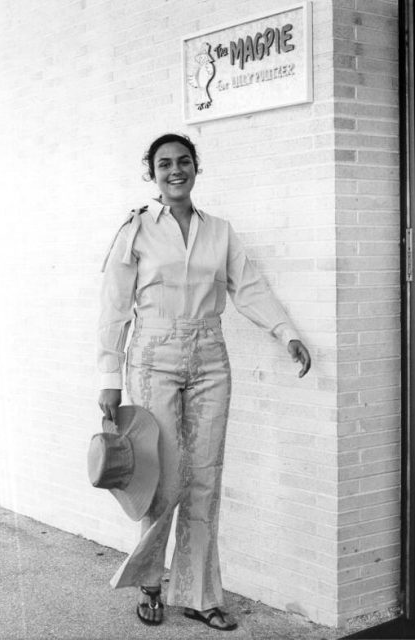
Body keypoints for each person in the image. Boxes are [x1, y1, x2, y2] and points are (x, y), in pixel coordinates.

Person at [97, 133, 311, 631]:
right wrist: (108, 376)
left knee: (205, 477)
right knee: (162, 476)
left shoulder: (220, 231)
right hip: (152, 358)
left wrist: (285, 332)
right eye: (165, 163)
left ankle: (199, 594)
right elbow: (113, 307)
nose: (176, 170)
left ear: (196, 167)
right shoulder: (135, 230)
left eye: (184, 161)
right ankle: (151, 584)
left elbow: (249, 287)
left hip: (211, 356)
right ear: (151, 173)